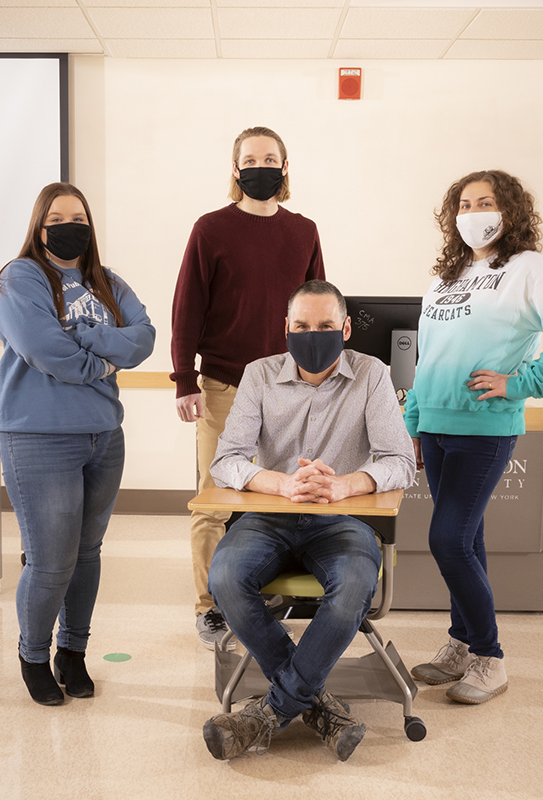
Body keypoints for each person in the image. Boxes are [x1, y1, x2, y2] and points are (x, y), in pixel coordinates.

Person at [404, 169, 543, 705]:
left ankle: (490, 659)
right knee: (468, 540)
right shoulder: (448, 275)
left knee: (447, 540)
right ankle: (462, 643)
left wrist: (523, 382)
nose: (473, 212)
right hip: (437, 427)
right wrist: (413, 424)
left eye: (485, 202)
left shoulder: (529, 268)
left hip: (485, 429)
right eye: (464, 204)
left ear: (508, 210)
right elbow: (428, 358)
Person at [202, 280, 415, 762]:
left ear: (344, 328)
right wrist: (280, 484)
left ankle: (267, 714)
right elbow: (226, 459)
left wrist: (347, 483)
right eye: (301, 326)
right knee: (226, 579)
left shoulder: (371, 374)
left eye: (323, 326)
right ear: (286, 330)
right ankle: (316, 703)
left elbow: (400, 460)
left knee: (355, 588)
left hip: (341, 518)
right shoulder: (258, 375)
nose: (312, 335)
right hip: (270, 514)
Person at [0, 182, 155, 706]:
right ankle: (34, 655)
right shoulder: (20, 278)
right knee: (50, 560)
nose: (68, 225)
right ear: (39, 228)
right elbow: (45, 350)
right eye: (56, 217)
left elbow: (145, 337)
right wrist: (105, 356)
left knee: (86, 554)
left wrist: (85, 337)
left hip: (103, 437)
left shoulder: (105, 281)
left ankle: (73, 653)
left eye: (77, 215)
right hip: (38, 437)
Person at [171, 126, 325, 649]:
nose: (260, 165)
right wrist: (183, 380)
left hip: (289, 389)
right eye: (250, 158)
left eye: (271, 158)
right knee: (217, 501)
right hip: (223, 387)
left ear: (285, 168)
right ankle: (210, 608)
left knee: (282, 499)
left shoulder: (304, 230)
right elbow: (187, 307)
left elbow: (319, 309)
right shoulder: (210, 229)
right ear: (236, 170)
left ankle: (263, 594)